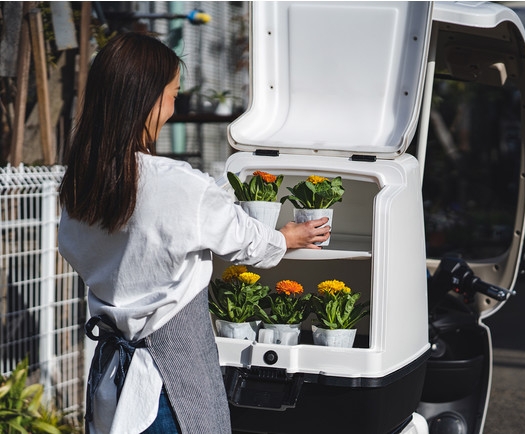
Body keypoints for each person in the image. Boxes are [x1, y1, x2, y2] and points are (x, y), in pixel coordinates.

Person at [58, 32, 330, 434]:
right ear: (148, 100)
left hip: (111, 378)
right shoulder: (178, 184)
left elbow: (76, 250)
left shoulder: (79, 186)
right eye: (173, 95)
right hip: (169, 381)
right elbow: (242, 239)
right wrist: (286, 238)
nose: (173, 107)